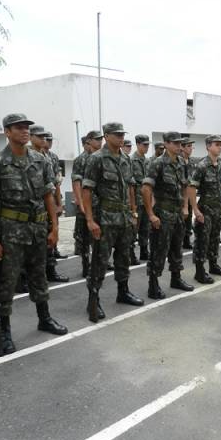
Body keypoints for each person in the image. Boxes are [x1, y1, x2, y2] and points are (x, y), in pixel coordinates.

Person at [0, 113, 68, 356]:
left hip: (37, 230)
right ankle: (4, 331)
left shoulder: (40, 160)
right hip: (9, 233)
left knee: (39, 276)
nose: (25, 131)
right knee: (6, 282)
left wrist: (54, 227)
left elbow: (48, 195)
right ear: (7, 132)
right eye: (18, 128)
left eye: (26, 127)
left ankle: (44, 317)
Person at [82, 122, 144, 323]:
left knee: (124, 257)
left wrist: (133, 213)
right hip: (105, 219)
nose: (120, 138)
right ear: (106, 136)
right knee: (100, 261)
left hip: (124, 218)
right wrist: (90, 220)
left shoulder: (125, 159)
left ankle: (123, 291)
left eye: (122, 135)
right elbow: (87, 190)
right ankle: (94, 299)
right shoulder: (96, 159)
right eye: (116, 135)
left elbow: (130, 188)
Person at [141, 131, 194, 298]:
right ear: (166, 144)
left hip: (177, 213)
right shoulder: (157, 163)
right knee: (159, 249)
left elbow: (185, 186)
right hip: (162, 213)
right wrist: (150, 214)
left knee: (177, 247)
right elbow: (146, 189)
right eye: (176, 143)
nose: (179, 146)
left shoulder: (181, 163)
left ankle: (176, 278)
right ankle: (153, 285)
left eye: (180, 143)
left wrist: (185, 207)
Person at [28, 126, 68, 283]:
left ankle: (51, 271)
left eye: (46, 137)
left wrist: (59, 204)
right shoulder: (28, 156)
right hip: (35, 206)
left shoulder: (50, 157)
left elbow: (56, 183)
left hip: (49, 203)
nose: (44, 140)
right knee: (34, 243)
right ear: (32, 137)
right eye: (41, 137)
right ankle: (30, 275)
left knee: (51, 238)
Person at [188, 135, 221, 284]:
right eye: (217, 144)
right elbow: (192, 188)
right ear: (208, 147)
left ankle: (213, 265)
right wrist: (195, 210)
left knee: (214, 239)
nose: (220, 147)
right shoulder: (202, 166)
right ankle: (199, 271)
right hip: (205, 209)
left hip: (217, 210)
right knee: (202, 241)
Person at [72, 131, 103, 277]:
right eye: (97, 140)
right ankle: (86, 265)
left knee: (98, 237)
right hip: (86, 206)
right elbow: (77, 182)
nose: (100, 142)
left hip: (99, 206)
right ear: (89, 141)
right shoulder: (81, 159)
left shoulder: (102, 158)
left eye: (101, 139)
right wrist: (81, 203)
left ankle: (98, 264)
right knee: (84, 238)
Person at [131, 134, 151, 261]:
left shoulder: (148, 161)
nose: (147, 147)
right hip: (136, 201)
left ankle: (144, 251)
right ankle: (130, 253)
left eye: (148, 145)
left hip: (146, 200)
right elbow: (130, 185)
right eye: (144, 145)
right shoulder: (131, 161)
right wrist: (132, 206)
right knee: (133, 228)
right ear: (138, 144)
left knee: (145, 227)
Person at [181, 137, 196, 249]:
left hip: (189, 195)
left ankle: (186, 239)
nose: (191, 148)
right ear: (182, 147)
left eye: (191, 146)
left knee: (189, 218)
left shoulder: (191, 162)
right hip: (180, 196)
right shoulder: (178, 161)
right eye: (188, 146)